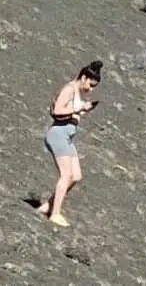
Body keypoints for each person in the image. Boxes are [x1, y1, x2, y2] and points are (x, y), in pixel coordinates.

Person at [36, 60, 102, 226]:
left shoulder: (79, 93)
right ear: (83, 77)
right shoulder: (69, 89)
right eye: (91, 85)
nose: (91, 89)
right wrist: (80, 109)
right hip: (58, 134)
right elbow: (57, 111)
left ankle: (48, 205)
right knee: (66, 175)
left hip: (68, 137)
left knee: (76, 176)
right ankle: (55, 214)